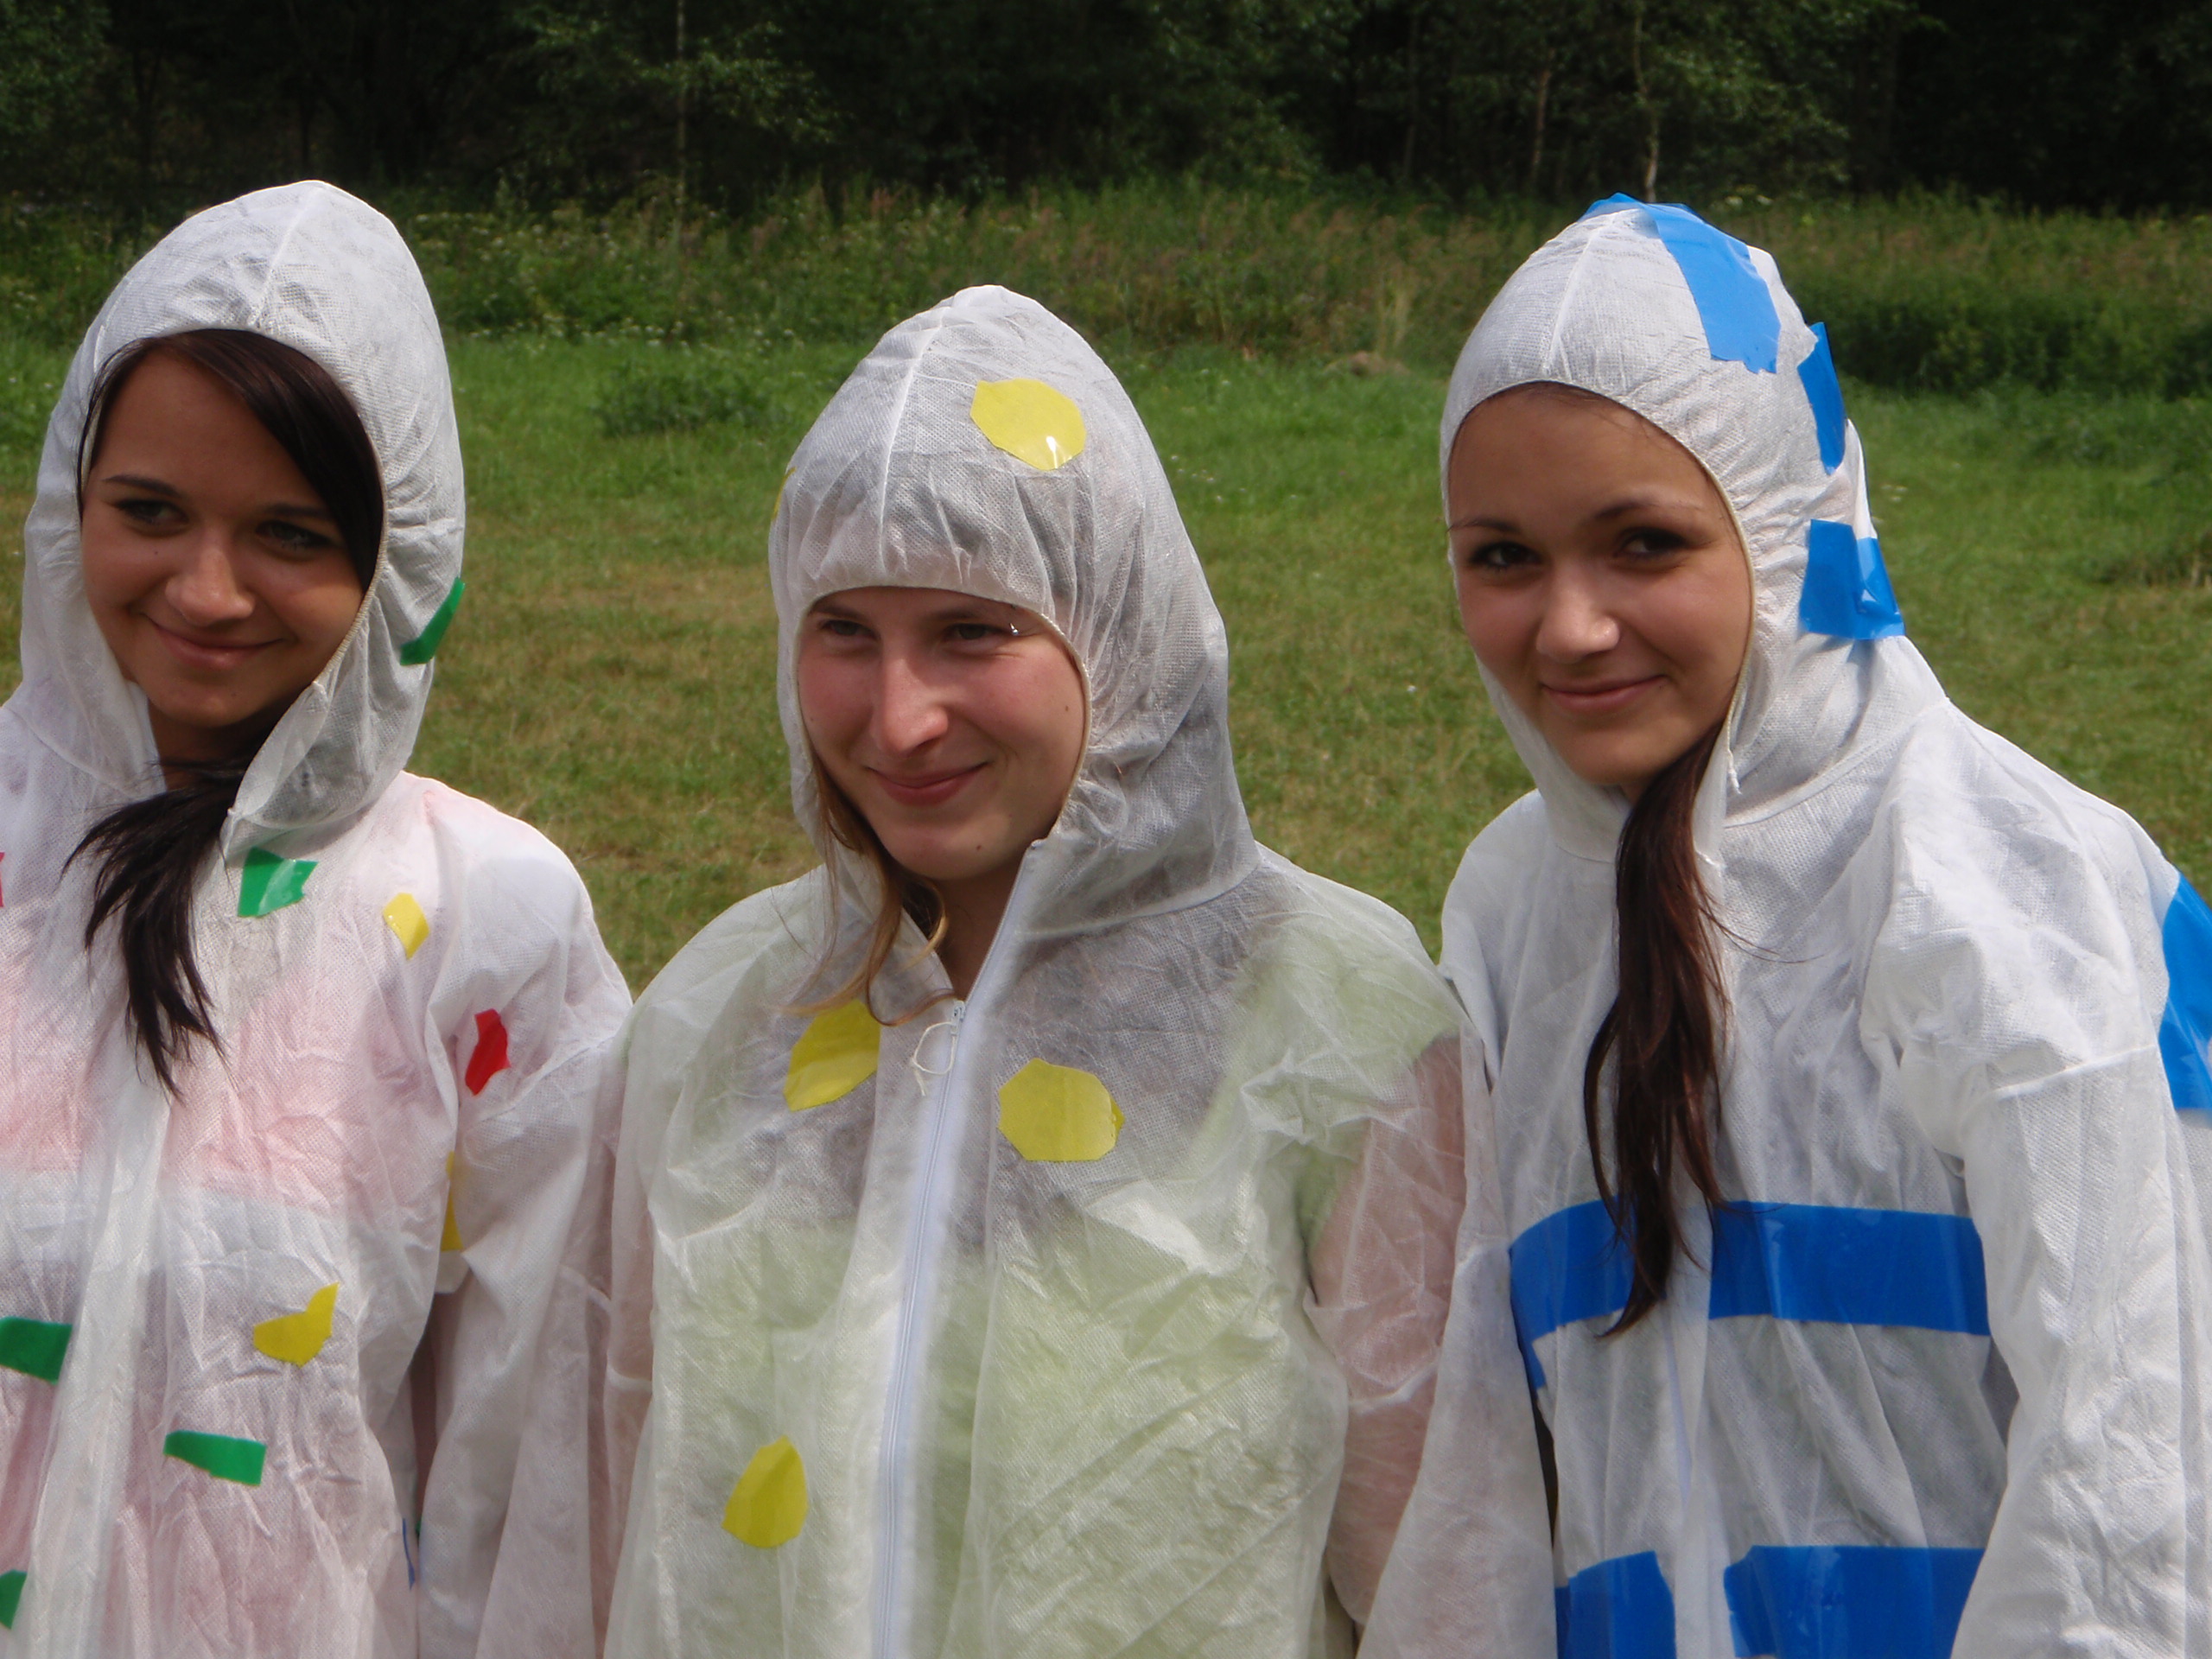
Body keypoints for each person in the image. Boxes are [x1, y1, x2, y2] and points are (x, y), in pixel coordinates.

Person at [601, 284, 1550, 1657]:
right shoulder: (723, 1008)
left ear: (1118, 629)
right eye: (844, 630)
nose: (899, 718)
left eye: (972, 631)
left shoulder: (1332, 1018)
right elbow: (604, 1482)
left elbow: (1441, 1567)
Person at [1380, 194, 2212, 1657]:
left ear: (1790, 537)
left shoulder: (2011, 878)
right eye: (1501, 556)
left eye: (1643, 544)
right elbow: (1490, 1459)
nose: (1568, 627)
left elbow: (2134, 1487)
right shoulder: (1516, 902)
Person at [0, 181, 629, 1656]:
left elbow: (529, 1440)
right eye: (149, 511)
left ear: (396, 562)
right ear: (69, 508)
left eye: (289, 533)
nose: (207, 590)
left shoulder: (485, 920)